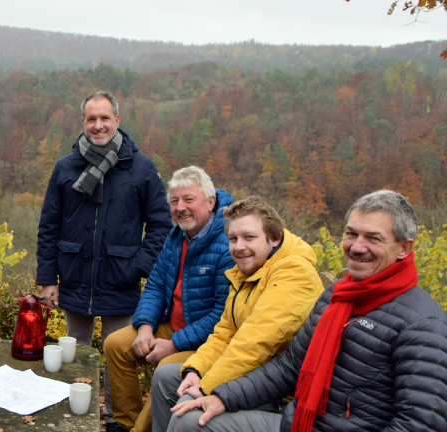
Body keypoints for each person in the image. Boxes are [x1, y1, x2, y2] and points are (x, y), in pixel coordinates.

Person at [168, 190, 447, 431]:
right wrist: (222, 397)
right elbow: (289, 368)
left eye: (373, 238)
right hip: (300, 420)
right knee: (191, 419)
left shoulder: (423, 324)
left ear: (404, 248)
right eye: (351, 234)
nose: (357, 246)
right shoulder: (336, 297)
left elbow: (420, 423)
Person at [36, 91, 172, 429]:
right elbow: (49, 225)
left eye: (105, 118)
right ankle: (74, 415)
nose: (98, 126)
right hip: (74, 275)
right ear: (82, 122)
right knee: (74, 352)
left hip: (121, 278)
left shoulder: (141, 168)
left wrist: (138, 267)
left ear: (117, 120)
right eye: (91, 119)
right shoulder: (66, 167)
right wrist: (48, 277)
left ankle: (115, 421)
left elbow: (161, 225)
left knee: (118, 356)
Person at [151, 195, 324, 431]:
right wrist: (196, 370)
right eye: (233, 239)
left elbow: (254, 343)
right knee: (167, 377)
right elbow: (225, 332)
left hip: (281, 393)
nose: (239, 247)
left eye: (249, 237)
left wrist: (206, 386)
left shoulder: (294, 274)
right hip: (250, 373)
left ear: (274, 238)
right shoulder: (248, 270)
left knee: (188, 412)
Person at [102, 165, 234, 432]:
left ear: (210, 202)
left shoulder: (228, 243)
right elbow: (155, 285)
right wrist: (146, 327)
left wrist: (173, 344)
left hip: (207, 342)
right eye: (174, 201)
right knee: (116, 344)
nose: (181, 207)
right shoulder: (177, 237)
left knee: (166, 369)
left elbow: (222, 315)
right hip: (172, 327)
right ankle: (126, 423)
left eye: (188, 199)